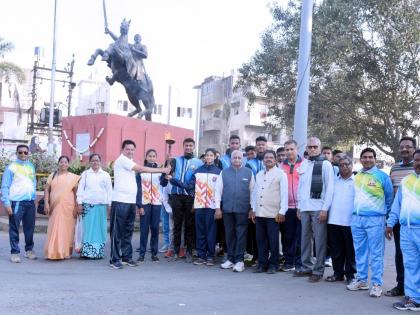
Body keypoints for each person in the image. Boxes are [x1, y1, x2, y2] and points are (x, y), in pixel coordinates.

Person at [109, 140, 169, 269]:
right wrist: (162, 169)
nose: (130, 151)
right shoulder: (122, 160)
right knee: (117, 232)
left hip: (130, 202)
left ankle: (126, 257)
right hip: (120, 201)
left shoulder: (130, 162)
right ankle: (114, 259)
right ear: (122, 150)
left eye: (132, 149)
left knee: (128, 231)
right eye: (127, 149)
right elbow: (142, 169)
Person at [347, 148, 393, 297]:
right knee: (360, 251)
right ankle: (361, 280)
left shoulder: (382, 176)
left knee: (376, 253)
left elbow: (389, 199)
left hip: (375, 219)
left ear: (375, 159)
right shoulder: (357, 176)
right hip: (357, 219)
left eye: (370, 157)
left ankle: (376, 283)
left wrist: (387, 220)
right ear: (360, 159)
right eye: (364, 157)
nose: (367, 159)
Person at [294, 137, 334, 282]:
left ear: (319, 147)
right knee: (305, 239)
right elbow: (301, 187)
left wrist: (325, 209)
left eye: (314, 147)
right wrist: (299, 206)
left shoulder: (325, 165)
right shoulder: (304, 164)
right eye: (309, 147)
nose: (312, 149)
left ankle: (318, 270)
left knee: (320, 240)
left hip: (319, 207)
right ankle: (306, 267)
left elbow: (330, 188)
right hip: (305, 207)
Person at [386, 149, 420, 311]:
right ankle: (413, 298)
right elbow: (396, 205)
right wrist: (390, 223)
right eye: (417, 160)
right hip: (406, 230)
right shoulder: (406, 181)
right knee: (411, 265)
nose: (418, 163)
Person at [175, 148, 222, 266]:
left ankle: (210, 256)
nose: (209, 157)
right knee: (200, 231)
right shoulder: (197, 171)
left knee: (211, 232)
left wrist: (218, 207)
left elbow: (221, 191)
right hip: (199, 206)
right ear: (204, 157)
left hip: (212, 206)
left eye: (211, 155)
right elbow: (188, 186)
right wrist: (174, 180)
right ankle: (201, 256)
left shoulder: (219, 172)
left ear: (215, 157)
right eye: (207, 155)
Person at [161, 138, 203, 263]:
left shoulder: (199, 163)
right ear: (183, 146)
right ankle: (175, 249)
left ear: (194, 147)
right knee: (177, 225)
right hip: (176, 197)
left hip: (190, 197)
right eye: (186, 145)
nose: (188, 147)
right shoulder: (175, 160)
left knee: (190, 225)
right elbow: (165, 178)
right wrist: (166, 166)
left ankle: (189, 250)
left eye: (191, 145)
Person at [215, 150, 255, 272]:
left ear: (243, 159)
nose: (237, 159)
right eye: (234, 158)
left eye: (239, 157)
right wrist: (217, 208)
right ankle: (231, 259)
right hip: (227, 209)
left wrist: (252, 209)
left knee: (241, 235)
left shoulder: (249, 173)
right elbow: (218, 191)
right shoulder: (224, 172)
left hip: (243, 210)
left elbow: (253, 192)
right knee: (229, 235)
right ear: (231, 159)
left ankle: (239, 261)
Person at [252, 150, 288, 274]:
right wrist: (253, 209)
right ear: (263, 160)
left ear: (275, 159)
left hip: (273, 213)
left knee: (273, 241)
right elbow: (255, 193)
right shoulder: (259, 174)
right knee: (261, 240)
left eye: (271, 157)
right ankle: (262, 264)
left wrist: (282, 211)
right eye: (266, 157)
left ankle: (274, 265)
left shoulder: (281, 174)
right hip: (260, 212)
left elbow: (284, 194)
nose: (268, 159)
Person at [1, 144, 37, 263]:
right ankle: (15, 253)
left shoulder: (31, 166)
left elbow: (33, 183)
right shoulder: (11, 167)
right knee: (14, 228)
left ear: (28, 154)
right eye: (20, 152)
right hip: (17, 203)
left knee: (30, 228)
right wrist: (7, 204)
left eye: (25, 152)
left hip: (30, 203)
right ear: (16, 153)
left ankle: (29, 250)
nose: (23, 154)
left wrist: (33, 197)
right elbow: (5, 187)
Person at [325, 156, 356, 284]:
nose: (344, 167)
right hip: (334, 220)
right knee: (336, 250)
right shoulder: (334, 181)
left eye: (347, 164)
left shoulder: (357, 181)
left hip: (350, 222)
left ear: (352, 165)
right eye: (341, 165)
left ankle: (350, 275)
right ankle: (338, 273)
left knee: (350, 250)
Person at [76, 154, 112, 259]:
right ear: (90, 162)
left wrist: (110, 204)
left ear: (100, 162)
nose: (95, 162)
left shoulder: (105, 175)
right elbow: (80, 189)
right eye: (93, 160)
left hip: (101, 206)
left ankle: (98, 253)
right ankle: (87, 252)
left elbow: (109, 191)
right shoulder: (85, 174)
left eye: (97, 160)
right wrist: (79, 203)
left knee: (100, 229)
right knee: (88, 229)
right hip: (88, 206)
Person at [44, 156, 80, 260]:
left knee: (68, 229)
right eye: (61, 162)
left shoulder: (73, 177)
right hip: (54, 206)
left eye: (65, 162)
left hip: (69, 206)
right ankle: (53, 251)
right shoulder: (52, 175)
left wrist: (77, 207)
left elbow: (76, 193)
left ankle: (66, 252)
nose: (63, 164)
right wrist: (46, 203)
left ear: (68, 164)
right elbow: (46, 190)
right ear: (58, 163)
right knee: (54, 227)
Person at [280, 140, 304, 272]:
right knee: (287, 236)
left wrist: (301, 206)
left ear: (297, 149)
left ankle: (300, 263)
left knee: (300, 236)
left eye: (291, 149)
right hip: (286, 207)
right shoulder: (280, 167)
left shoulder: (304, 164)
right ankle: (289, 262)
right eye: (287, 149)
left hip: (301, 207)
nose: (289, 152)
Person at [136, 149, 163, 262]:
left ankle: (154, 253)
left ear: (156, 157)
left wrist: (167, 174)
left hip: (156, 203)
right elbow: (138, 190)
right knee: (144, 229)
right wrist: (139, 205)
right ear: (146, 157)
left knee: (155, 228)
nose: (152, 158)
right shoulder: (141, 171)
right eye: (150, 156)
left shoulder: (160, 171)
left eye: (154, 156)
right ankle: (142, 253)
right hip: (145, 203)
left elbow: (164, 183)